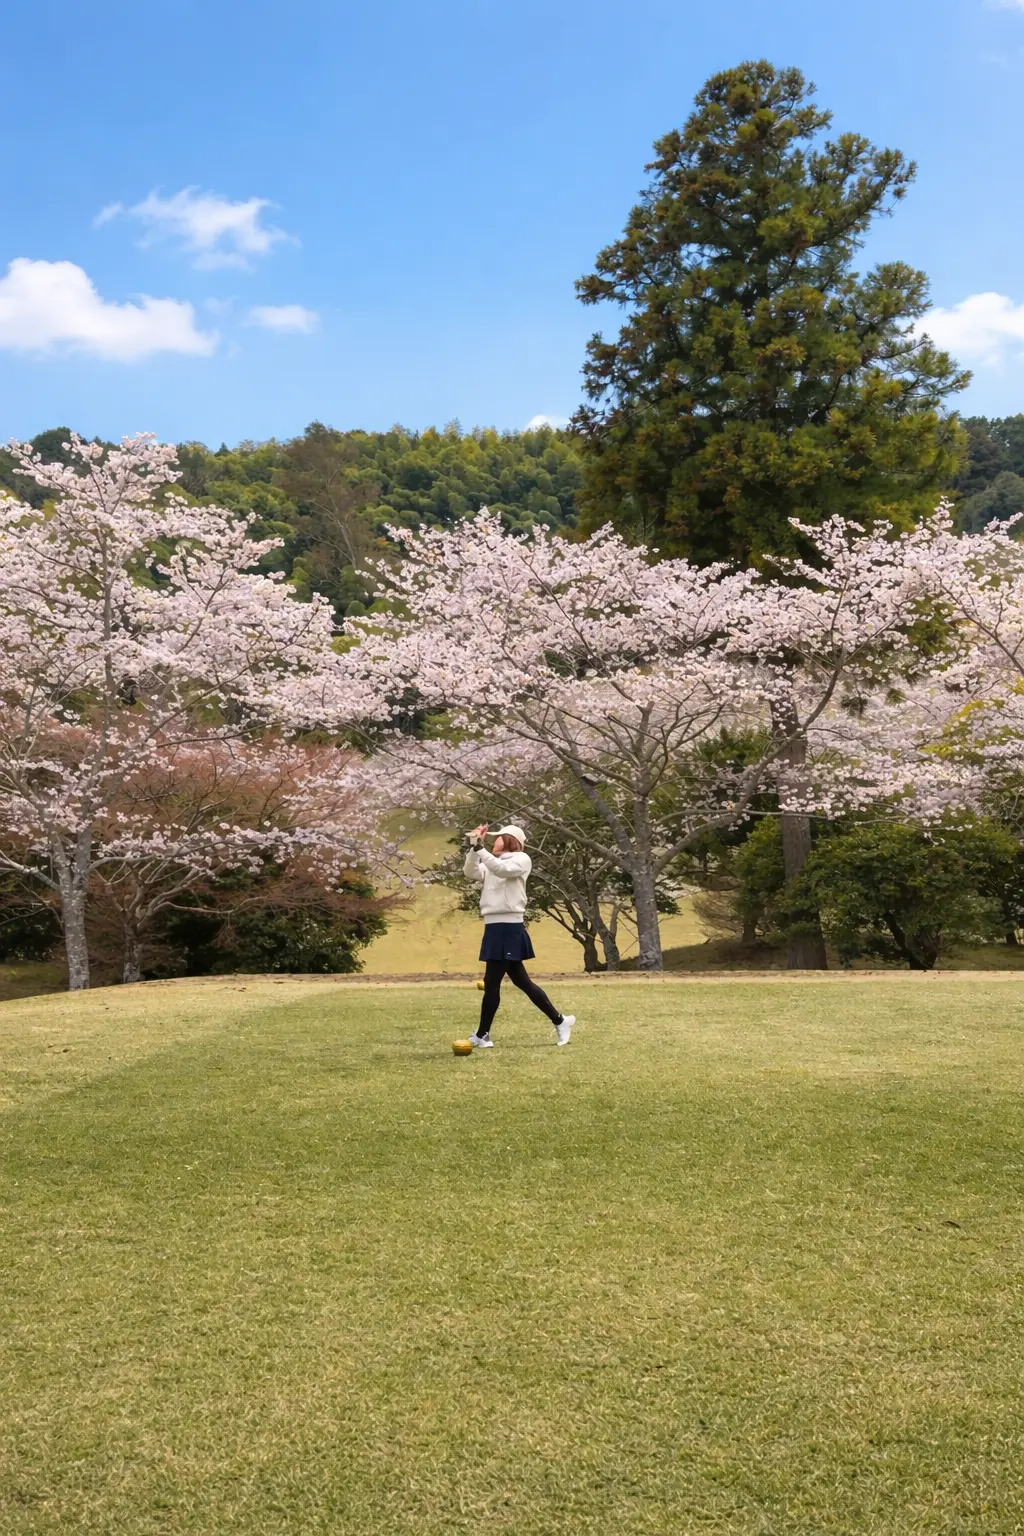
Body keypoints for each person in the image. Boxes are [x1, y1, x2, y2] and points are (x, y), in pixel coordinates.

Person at [463, 822, 575, 1048]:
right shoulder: (490, 862)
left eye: (498, 837)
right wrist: (474, 847)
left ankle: (483, 1035)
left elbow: (501, 870)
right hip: (494, 926)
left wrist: (480, 848)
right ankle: (560, 1020)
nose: (494, 841)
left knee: (492, 982)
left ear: (510, 840)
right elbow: (470, 872)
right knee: (521, 981)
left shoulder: (521, 859)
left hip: (509, 927)